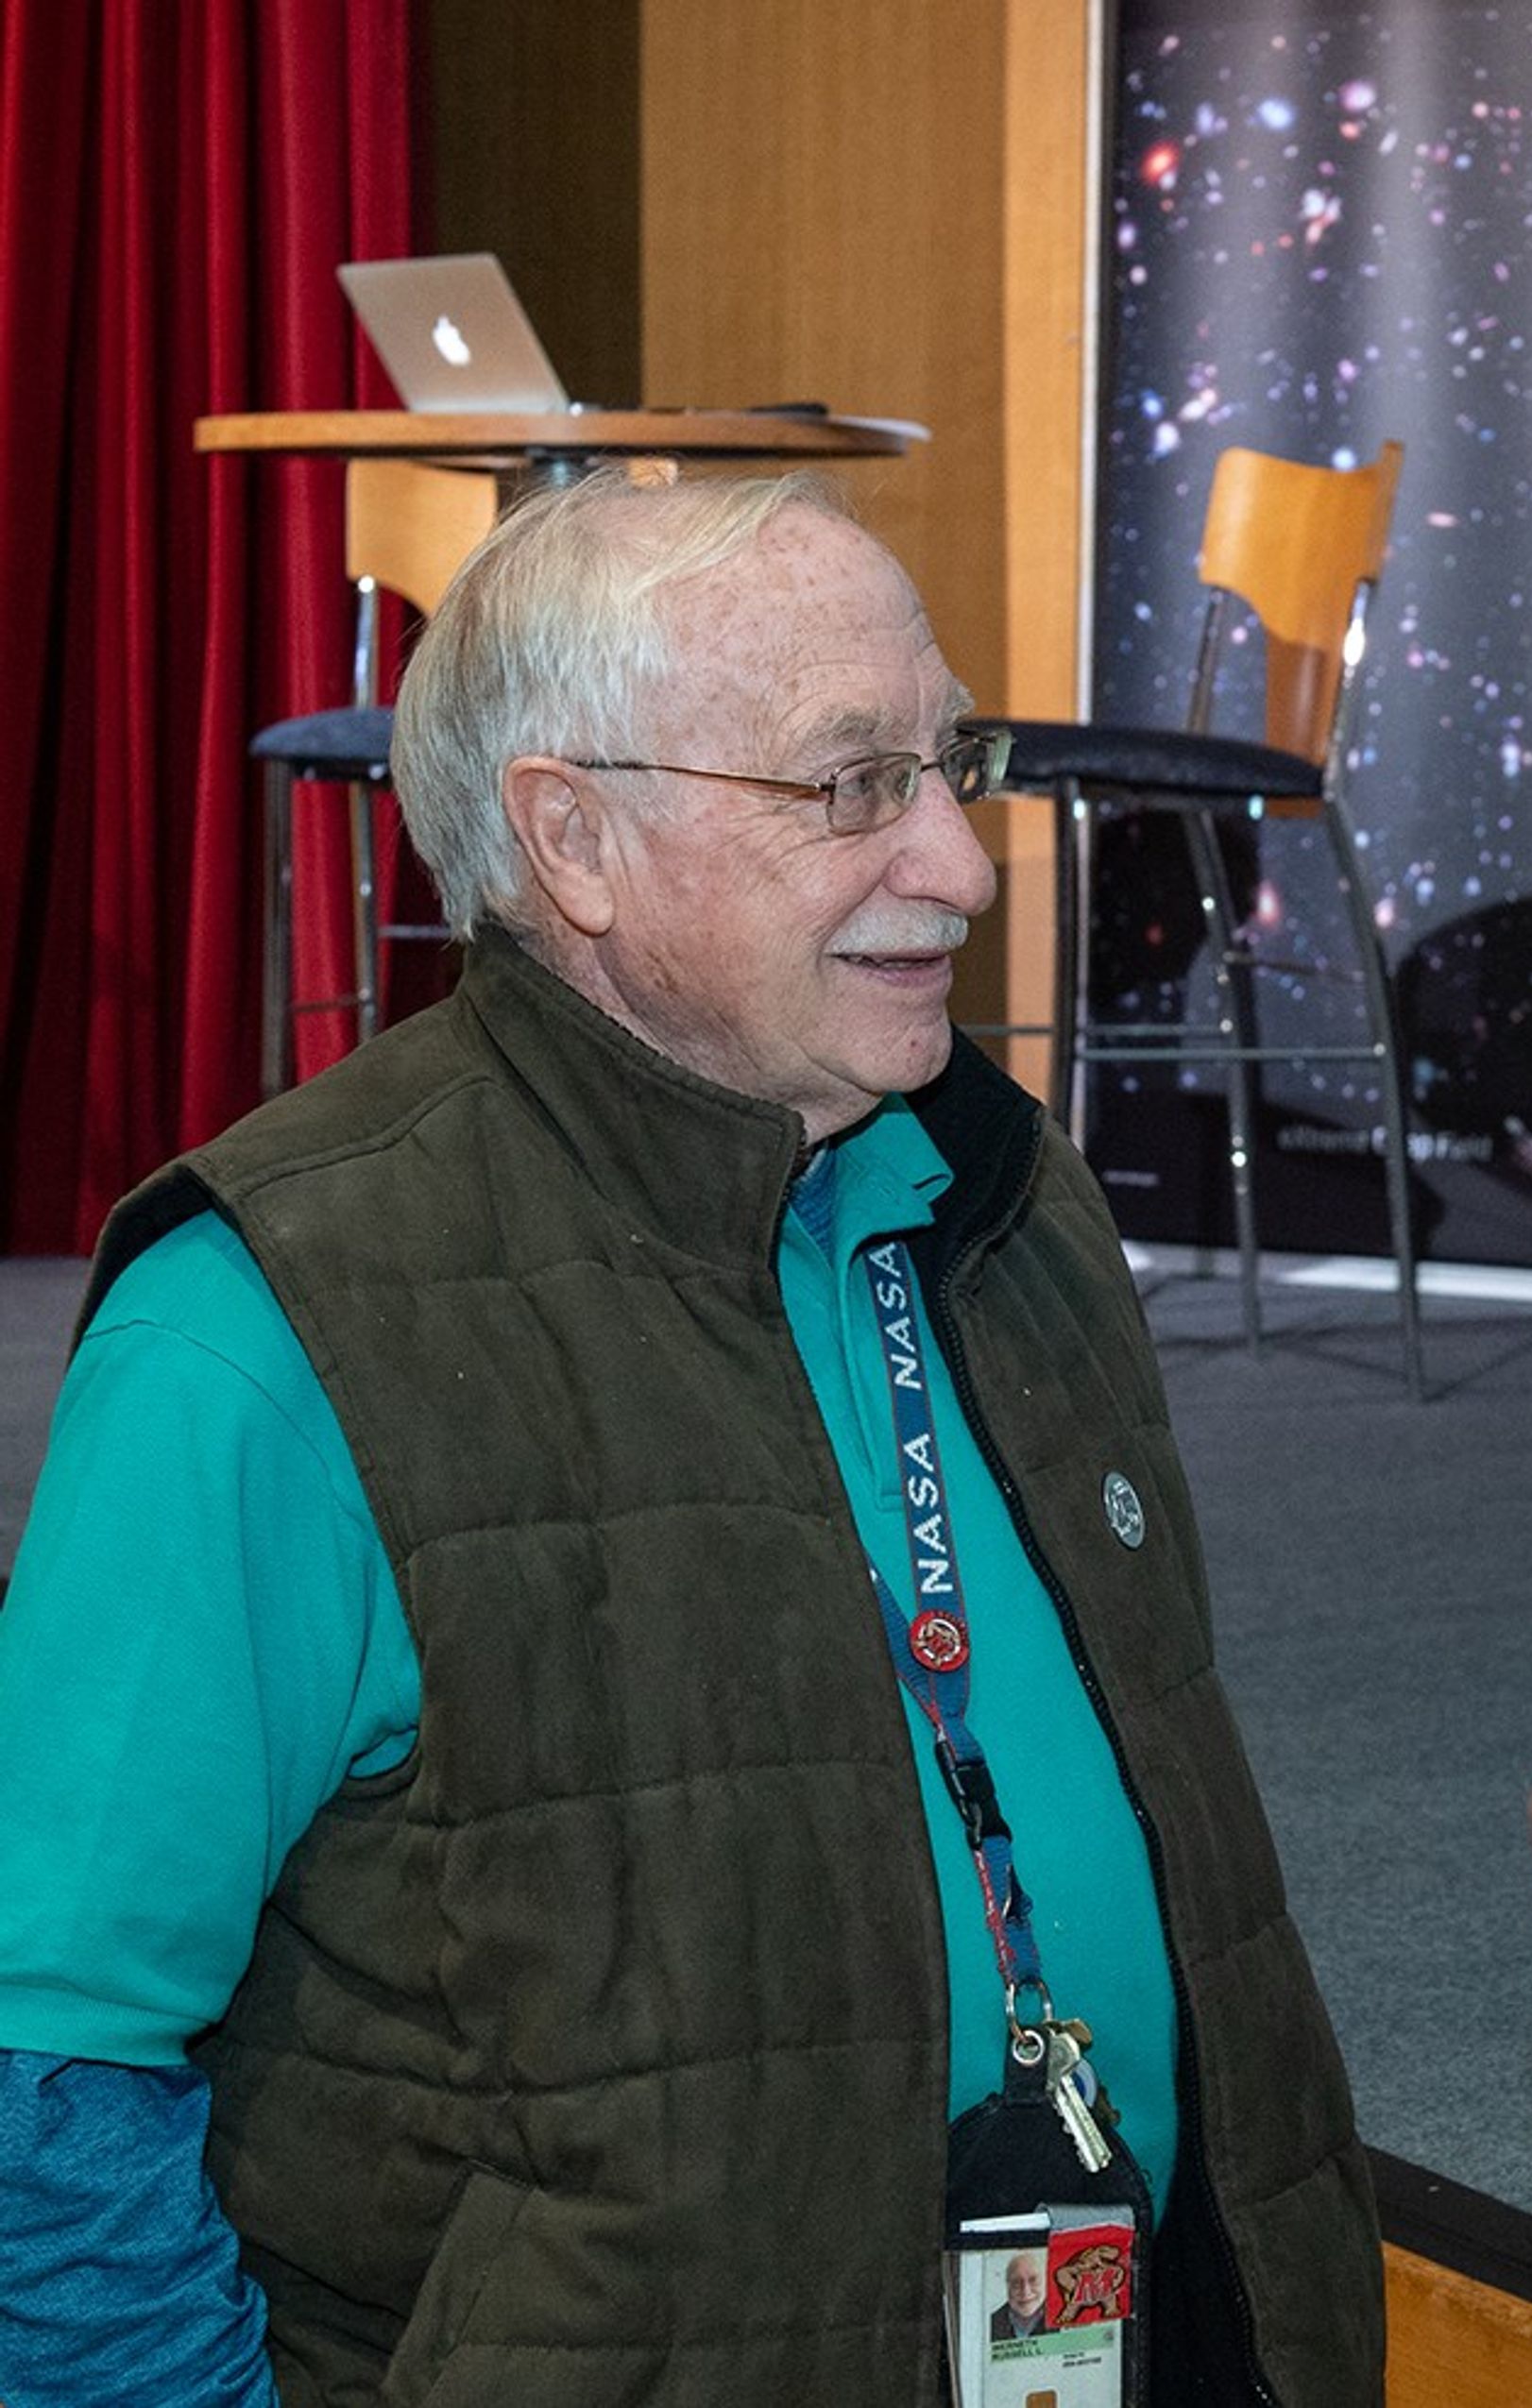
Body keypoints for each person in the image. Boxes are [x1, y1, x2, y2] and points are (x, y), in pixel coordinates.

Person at [0, 470, 1381, 2404]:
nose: (964, 865)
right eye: (847, 787)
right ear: (576, 840)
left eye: (946, 761)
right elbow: (42, 2077)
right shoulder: (261, 1326)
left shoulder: (1004, 1193)